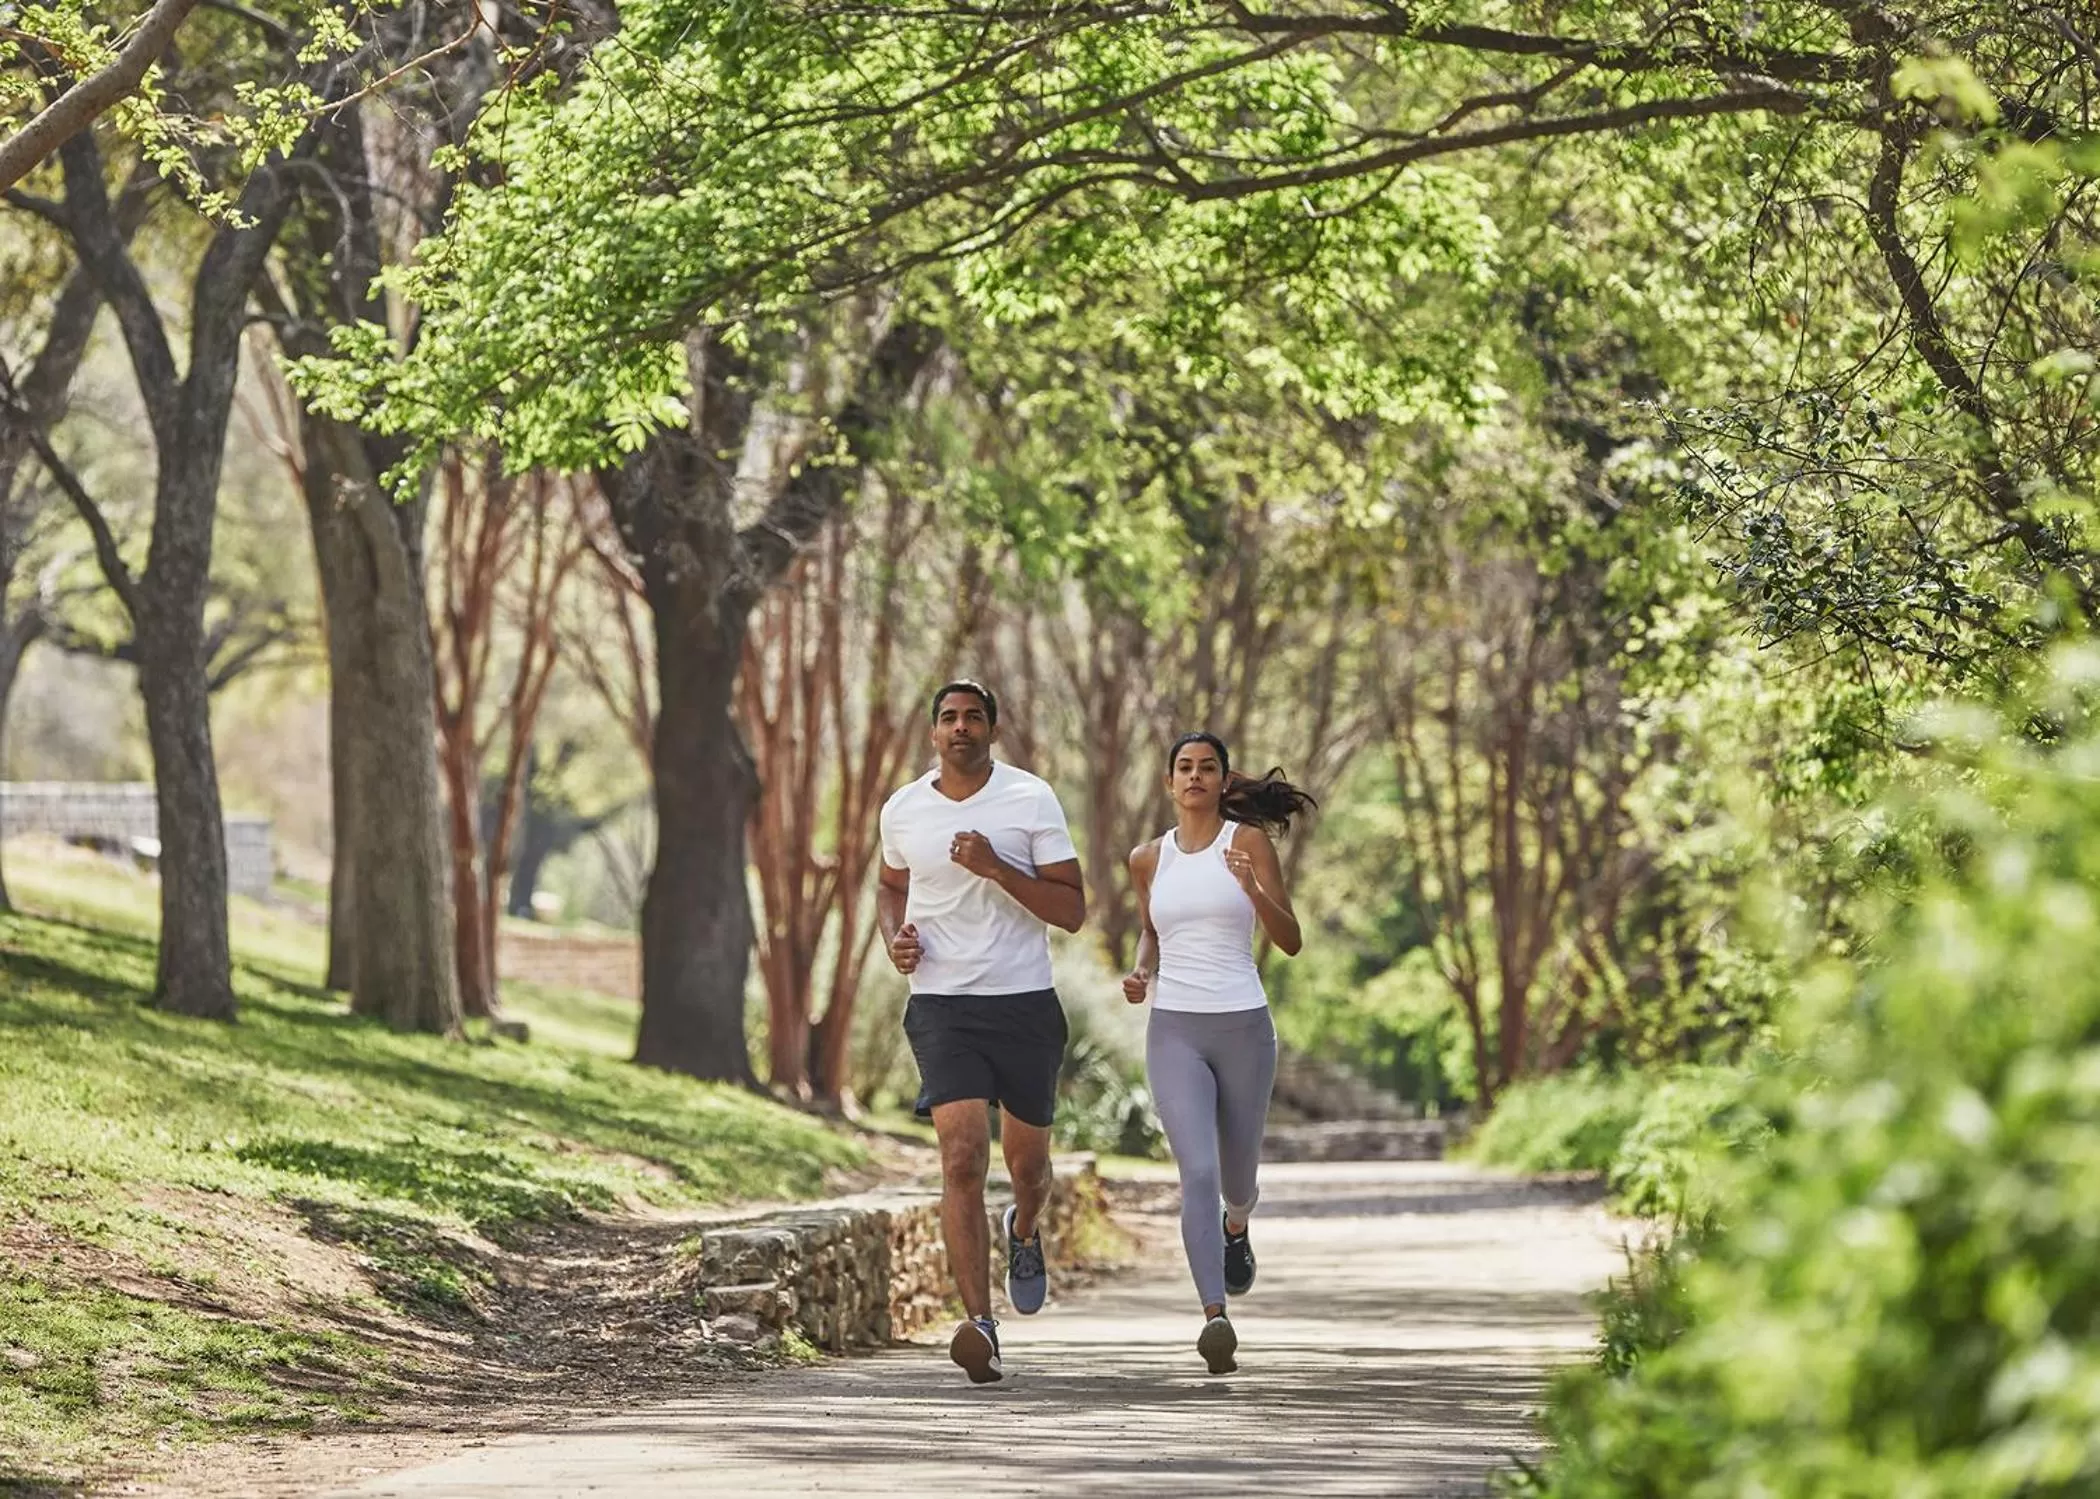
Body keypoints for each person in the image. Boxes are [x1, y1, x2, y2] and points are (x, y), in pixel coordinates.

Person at [877, 680, 1086, 1385]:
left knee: (1028, 1170)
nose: (959, 727)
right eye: (947, 717)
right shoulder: (903, 808)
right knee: (962, 1157)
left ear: (992, 729)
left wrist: (997, 866)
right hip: (941, 1004)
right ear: (933, 732)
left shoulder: (1031, 799)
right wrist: (893, 939)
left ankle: (1023, 1231)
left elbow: (1073, 909)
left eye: (973, 717)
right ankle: (981, 1324)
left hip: (1024, 1002)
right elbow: (887, 884)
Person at [1123, 731, 1314, 1375]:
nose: (1195, 776)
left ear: (1224, 781)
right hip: (1174, 1028)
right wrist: (1140, 972)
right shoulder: (1147, 859)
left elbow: (1288, 938)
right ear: (1169, 783)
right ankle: (1214, 1318)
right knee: (1197, 1173)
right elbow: (1150, 931)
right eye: (1185, 767)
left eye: (1208, 767)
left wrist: (1255, 890)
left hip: (1243, 1027)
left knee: (1236, 1181)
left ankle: (1239, 1226)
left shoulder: (1248, 844)